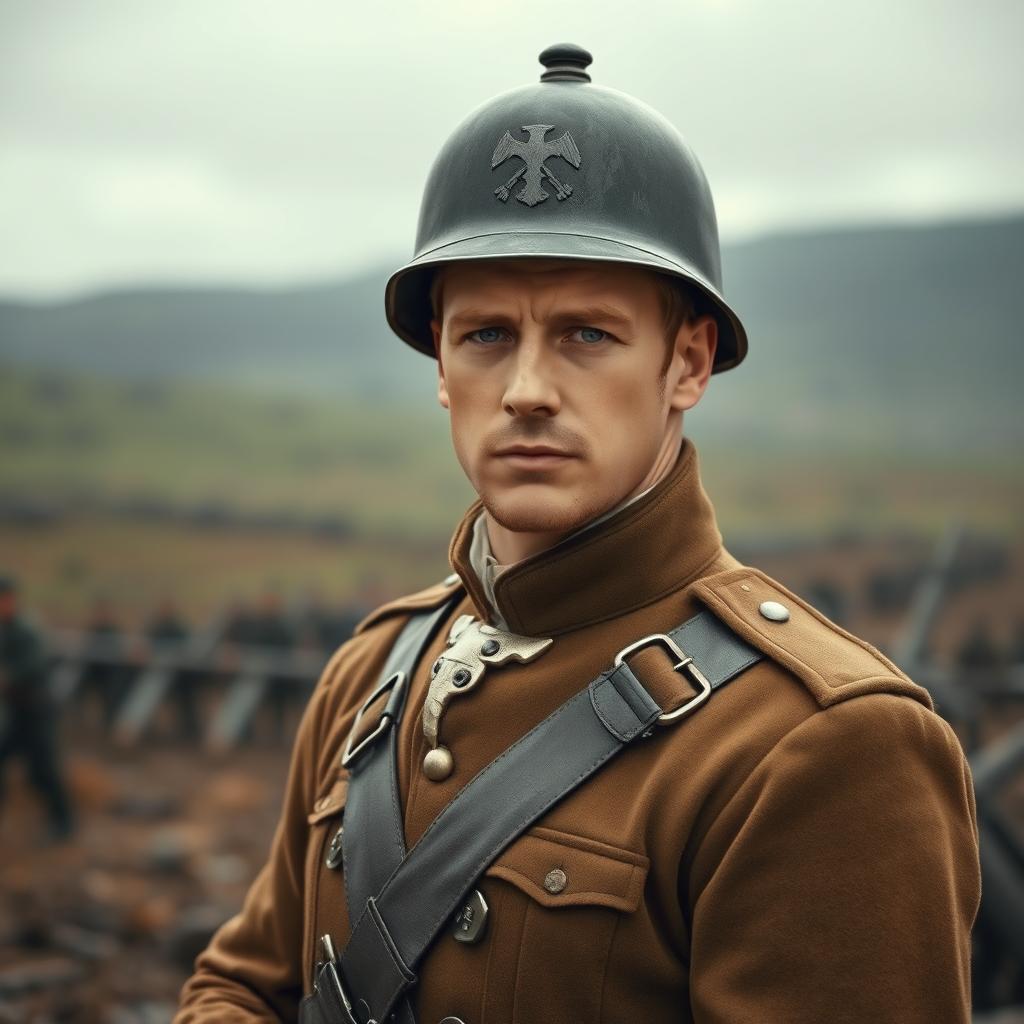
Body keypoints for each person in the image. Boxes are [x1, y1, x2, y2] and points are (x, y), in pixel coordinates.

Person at [176, 44, 980, 1024]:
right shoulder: (375, 671)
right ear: (439, 364)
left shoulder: (823, 743)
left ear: (686, 365)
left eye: (585, 335)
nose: (524, 391)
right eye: (484, 336)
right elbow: (244, 984)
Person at [0, 574, 74, 841]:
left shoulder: (26, 629)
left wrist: (8, 676)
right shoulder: (5, 629)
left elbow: (34, 664)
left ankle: (64, 823)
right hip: (16, 713)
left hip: (37, 711)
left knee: (42, 770)